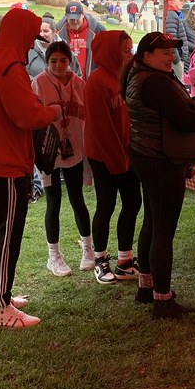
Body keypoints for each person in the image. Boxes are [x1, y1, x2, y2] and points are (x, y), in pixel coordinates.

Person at [0, 6, 61, 329]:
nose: (31, 45)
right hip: (4, 164)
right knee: (6, 237)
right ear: (21, 35)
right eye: (30, 38)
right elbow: (26, 116)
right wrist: (50, 111)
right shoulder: (10, 67)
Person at [123, 31, 195, 318]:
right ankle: (162, 299)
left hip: (145, 155)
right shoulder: (155, 82)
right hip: (162, 160)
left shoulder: (141, 76)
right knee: (163, 230)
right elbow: (186, 120)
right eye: (164, 52)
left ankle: (147, 287)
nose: (171, 56)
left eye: (172, 51)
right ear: (146, 56)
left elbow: (174, 106)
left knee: (153, 222)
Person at [32, 40, 94, 277]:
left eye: (63, 61)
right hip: (48, 152)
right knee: (53, 202)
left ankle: (87, 249)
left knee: (78, 198)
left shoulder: (79, 84)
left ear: (70, 61)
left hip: (74, 148)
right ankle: (53, 256)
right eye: (53, 61)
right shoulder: (38, 83)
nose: (58, 65)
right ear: (47, 61)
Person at [85, 30, 143, 285]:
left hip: (125, 153)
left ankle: (125, 259)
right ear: (110, 52)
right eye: (124, 50)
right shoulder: (96, 82)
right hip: (104, 155)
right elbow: (101, 130)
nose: (129, 54)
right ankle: (100, 259)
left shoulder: (123, 76)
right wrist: (117, 161)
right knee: (106, 205)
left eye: (130, 49)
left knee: (132, 201)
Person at [54, 1, 105, 77]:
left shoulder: (97, 30)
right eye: (71, 19)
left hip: (90, 82)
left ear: (82, 15)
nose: (74, 22)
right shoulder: (58, 32)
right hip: (67, 82)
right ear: (66, 16)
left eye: (77, 18)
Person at [164, 0, 189, 79]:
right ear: (173, 1)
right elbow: (171, 39)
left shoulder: (172, 14)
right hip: (175, 60)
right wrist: (176, 60)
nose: (183, 2)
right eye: (180, 0)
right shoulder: (171, 15)